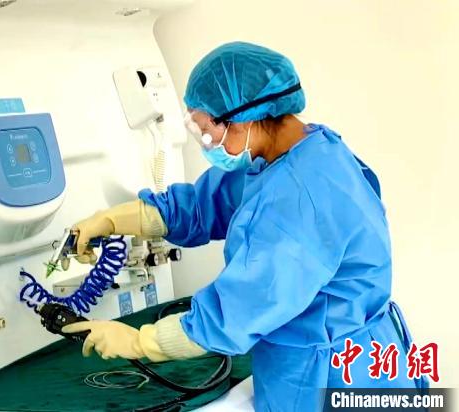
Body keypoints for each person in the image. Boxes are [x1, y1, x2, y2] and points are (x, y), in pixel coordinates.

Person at [62, 42, 423, 411]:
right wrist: (112, 220)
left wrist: (139, 342)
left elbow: (236, 312)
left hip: (333, 374)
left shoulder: (300, 199)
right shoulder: (290, 150)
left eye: (207, 132)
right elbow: (204, 205)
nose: (207, 145)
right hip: (327, 356)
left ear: (243, 119)